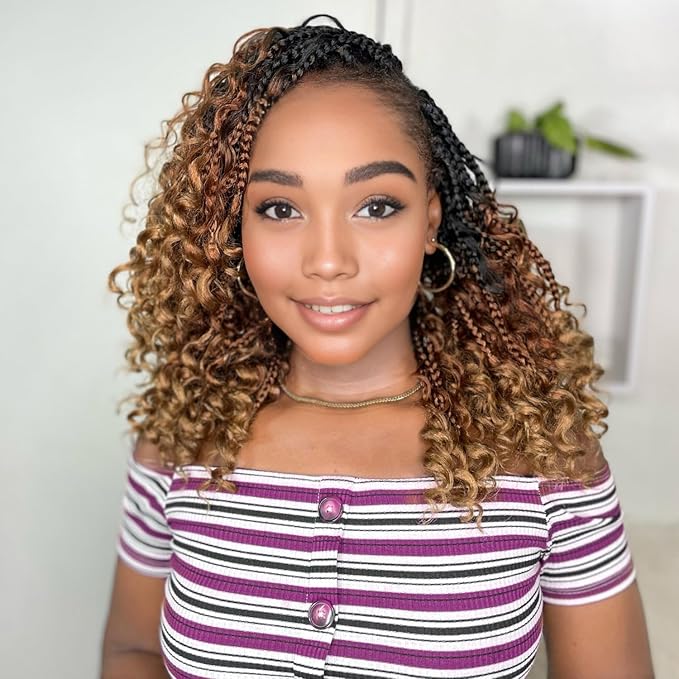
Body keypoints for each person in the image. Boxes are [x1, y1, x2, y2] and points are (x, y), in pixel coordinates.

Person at [100, 13, 654, 679]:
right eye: (279, 208)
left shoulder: (543, 456)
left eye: (376, 206)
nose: (328, 260)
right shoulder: (182, 436)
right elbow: (132, 651)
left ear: (430, 220)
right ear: (232, 230)